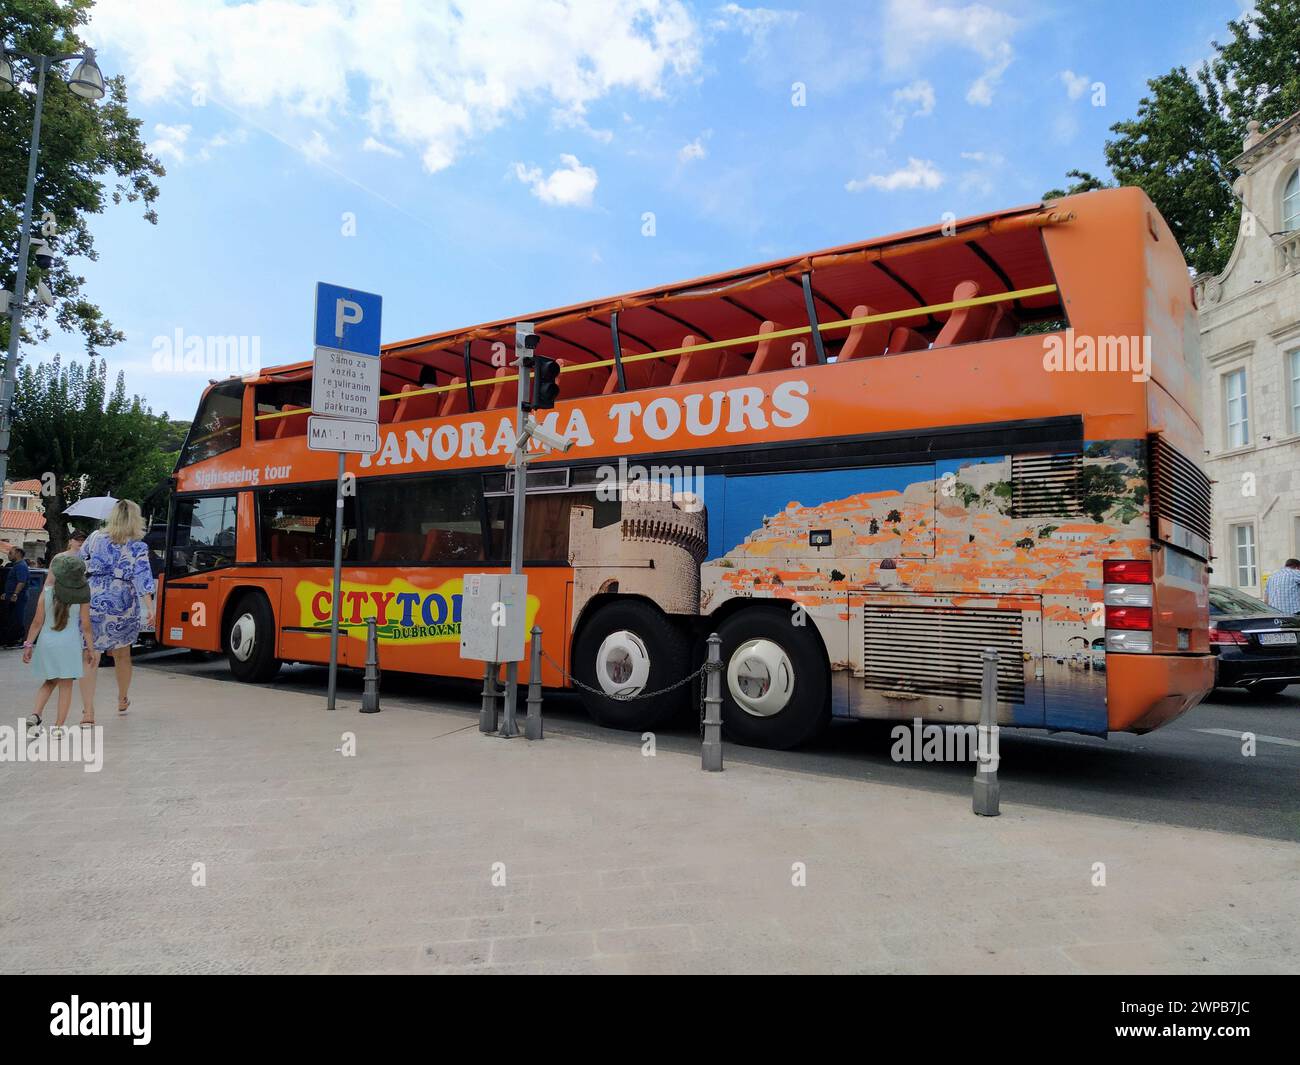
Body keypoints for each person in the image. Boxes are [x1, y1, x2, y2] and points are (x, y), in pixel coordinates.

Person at [80, 500, 156, 716]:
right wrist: (150, 608)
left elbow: (80, 562)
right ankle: (122, 698)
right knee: (122, 654)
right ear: (135, 518)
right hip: (122, 601)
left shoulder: (95, 538)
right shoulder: (138, 545)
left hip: (92, 597)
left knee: (89, 653)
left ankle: (88, 711)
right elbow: (142, 578)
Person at [22, 554, 95, 735]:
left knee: (49, 681)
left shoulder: (46, 593)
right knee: (66, 686)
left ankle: (35, 714)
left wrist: (28, 645)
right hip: (69, 645)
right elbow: (86, 626)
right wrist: (91, 649)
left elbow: (37, 622)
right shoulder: (82, 597)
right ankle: (58, 727)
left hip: (47, 644)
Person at [3, 546, 31, 647]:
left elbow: (21, 582)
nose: (9, 555)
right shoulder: (17, 565)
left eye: (11, 553)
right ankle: (11, 639)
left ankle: (17, 640)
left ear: (18, 553)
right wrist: (7, 593)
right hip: (12, 596)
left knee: (17, 618)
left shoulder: (21, 566)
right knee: (12, 618)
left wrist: (15, 594)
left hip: (18, 597)